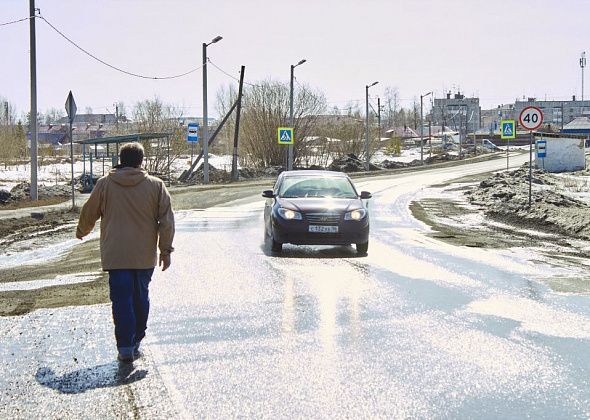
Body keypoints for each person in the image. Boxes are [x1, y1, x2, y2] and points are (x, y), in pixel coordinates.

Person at [76, 142, 175, 363]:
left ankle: (125, 347)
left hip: (116, 255)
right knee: (140, 297)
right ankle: (137, 338)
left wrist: (81, 230)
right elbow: (166, 221)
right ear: (141, 160)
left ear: (119, 159)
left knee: (122, 300)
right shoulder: (156, 186)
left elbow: (89, 211)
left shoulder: (104, 185)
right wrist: (165, 251)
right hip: (144, 256)